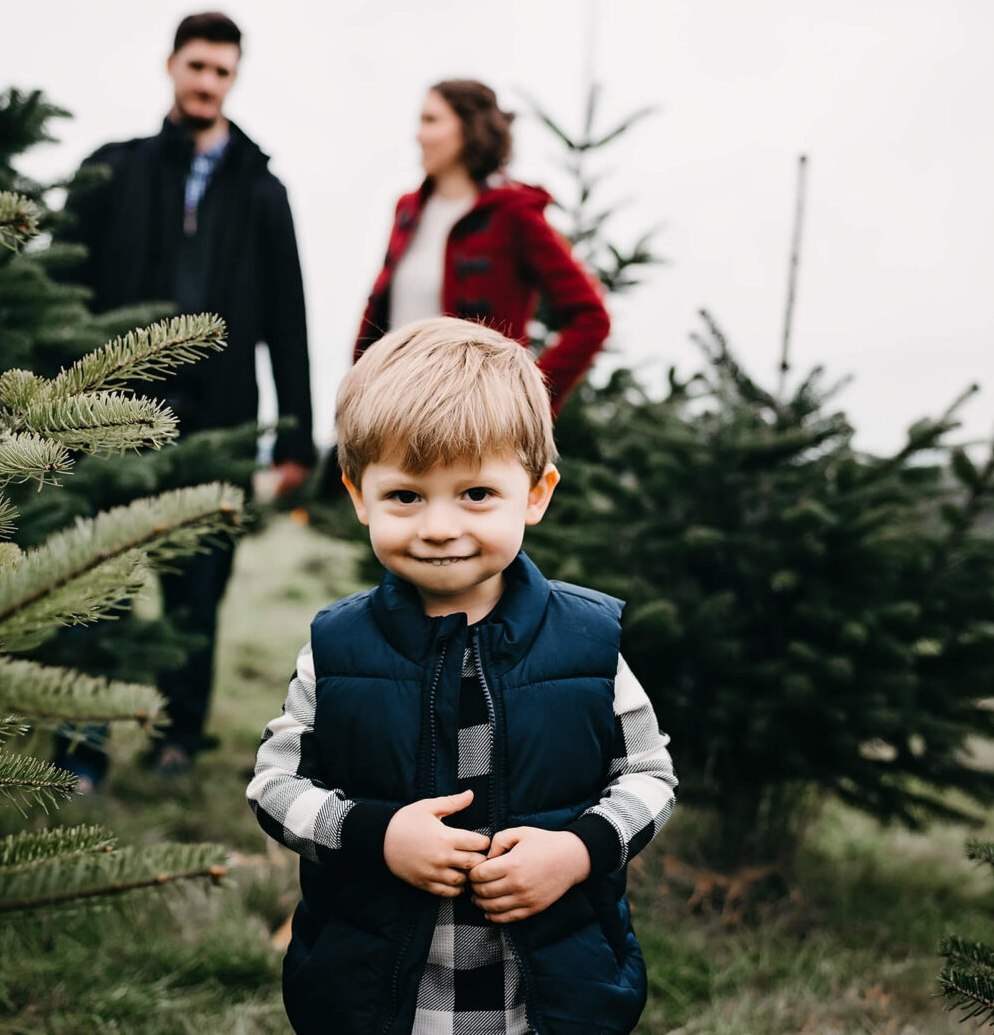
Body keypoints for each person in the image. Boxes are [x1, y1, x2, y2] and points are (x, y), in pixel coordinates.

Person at [249, 318, 677, 1033]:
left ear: (535, 494)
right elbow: (274, 785)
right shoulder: (338, 648)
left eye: (476, 494)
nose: (440, 525)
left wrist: (578, 852)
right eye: (406, 497)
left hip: (543, 993)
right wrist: (373, 836)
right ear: (359, 496)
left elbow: (649, 778)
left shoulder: (587, 645)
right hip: (381, 995)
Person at [57, 11, 313, 784]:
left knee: (197, 593)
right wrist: (56, 406)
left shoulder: (265, 192)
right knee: (96, 585)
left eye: (222, 72)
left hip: (220, 424)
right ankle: (80, 747)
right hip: (110, 418)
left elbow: (287, 319)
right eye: (197, 67)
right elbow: (63, 289)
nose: (207, 83)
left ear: (234, 79)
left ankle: (176, 743)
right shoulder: (113, 171)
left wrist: (294, 439)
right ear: (172, 66)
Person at [355, 81, 611, 415]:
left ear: (470, 128)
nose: (418, 135)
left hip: (471, 431)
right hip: (388, 416)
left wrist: (525, 404)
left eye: (431, 121)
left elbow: (591, 317)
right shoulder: (407, 209)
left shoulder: (512, 214)